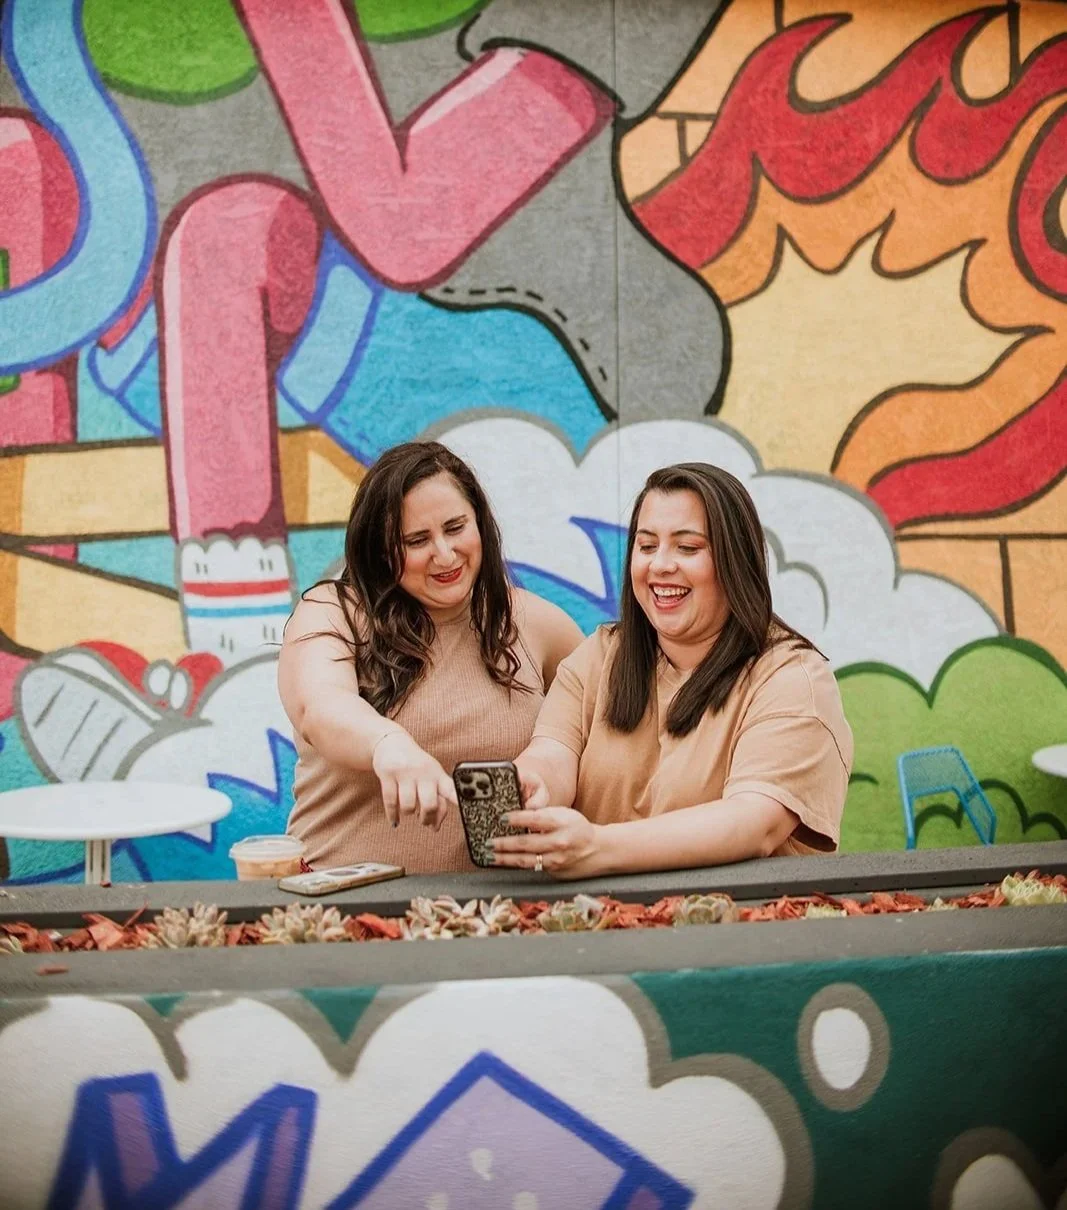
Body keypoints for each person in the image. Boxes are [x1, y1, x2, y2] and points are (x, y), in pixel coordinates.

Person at [492, 463, 853, 879]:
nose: (661, 565)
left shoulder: (792, 679)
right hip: (601, 931)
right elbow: (554, 752)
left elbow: (754, 823)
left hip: (736, 932)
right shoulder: (597, 657)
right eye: (646, 547)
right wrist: (532, 784)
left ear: (736, 560)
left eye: (687, 548)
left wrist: (598, 847)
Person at [279, 441, 582, 872]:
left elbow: (597, 725)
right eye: (416, 540)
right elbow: (319, 705)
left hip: (496, 916)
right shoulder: (333, 613)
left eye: (456, 527)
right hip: (344, 907)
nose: (444, 554)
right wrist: (387, 744)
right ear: (381, 549)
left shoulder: (537, 623)